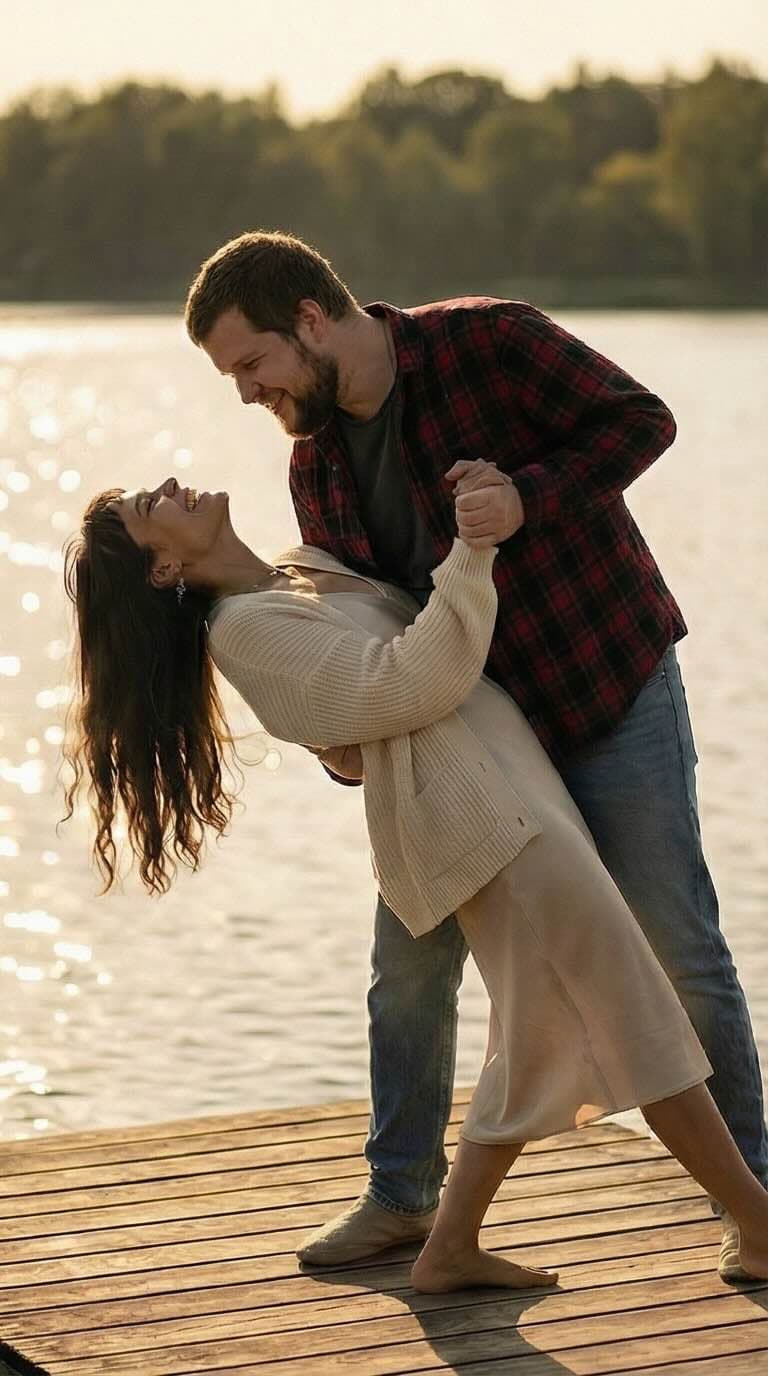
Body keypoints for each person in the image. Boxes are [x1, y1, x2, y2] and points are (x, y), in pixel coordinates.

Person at [181, 231, 767, 1279]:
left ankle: (755, 1199)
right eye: (234, 377)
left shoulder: (490, 340)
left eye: (251, 364)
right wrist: (342, 751)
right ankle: (403, 1198)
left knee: (678, 944)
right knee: (405, 970)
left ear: (310, 318)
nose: (247, 392)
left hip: (605, 689)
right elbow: (366, 640)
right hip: (468, 751)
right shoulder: (314, 463)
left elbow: (644, 419)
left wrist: (530, 493)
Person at [63, 472, 768, 1290]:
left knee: (538, 1034)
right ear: (160, 570)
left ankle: (451, 1247)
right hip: (489, 825)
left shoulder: (301, 569)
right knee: (633, 1014)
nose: (172, 485)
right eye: (151, 507)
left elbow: (378, 687)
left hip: (519, 792)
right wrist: (474, 551)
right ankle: (757, 1225)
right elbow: (409, 680)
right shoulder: (244, 628)